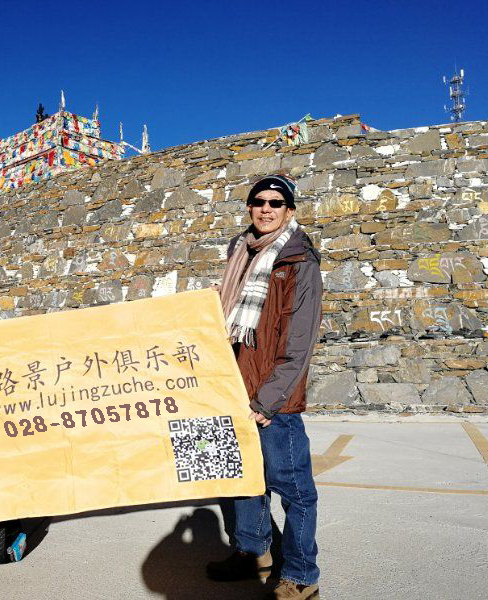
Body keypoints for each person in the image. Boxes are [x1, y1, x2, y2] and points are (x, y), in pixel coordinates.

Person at [207, 174, 323, 599]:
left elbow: (300, 340)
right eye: (259, 201)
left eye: (276, 203)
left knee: (294, 489)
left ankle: (301, 575)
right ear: (250, 206)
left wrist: (268, 400)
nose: (266, 209)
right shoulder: (240, 252)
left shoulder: (298, 261)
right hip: (233, 389)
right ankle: (253, 552)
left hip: (273, 399)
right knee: (241, 481)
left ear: (289, 210)